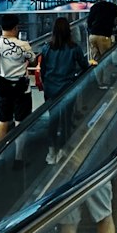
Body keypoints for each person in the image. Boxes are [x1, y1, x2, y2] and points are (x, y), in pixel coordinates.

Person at [38, 15, 88, 164]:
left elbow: (43, 70)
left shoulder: (46, 48)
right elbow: (84, 66)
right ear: (69, 31)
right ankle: (63, 150)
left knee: (53, 120)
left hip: (51, 89)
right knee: (67, 119)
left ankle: (51, 151)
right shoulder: (74, 48)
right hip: (67, 89)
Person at [0, 14, 37, 151]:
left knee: (3, 121)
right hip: (22, 89)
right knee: (20, 123)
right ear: (16, 28)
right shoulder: (23, 45)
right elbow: (32, 60)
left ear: (1, 27)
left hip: (3, 87)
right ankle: (18, 157)